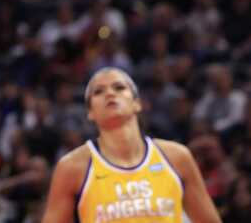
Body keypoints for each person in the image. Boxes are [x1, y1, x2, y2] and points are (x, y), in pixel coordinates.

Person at [40, 67, 222, 222]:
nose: (110, 93)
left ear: (137, 104)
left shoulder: (176, 157)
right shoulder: (73, 167)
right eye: (99, 91)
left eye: (119, 87)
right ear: (90, 113)